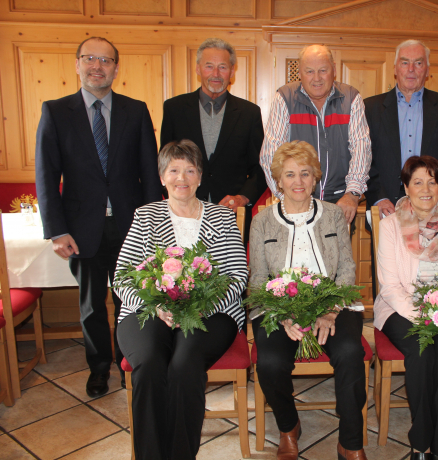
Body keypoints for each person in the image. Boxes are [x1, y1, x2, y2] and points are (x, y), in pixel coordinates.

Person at [35, 37, 160, 398]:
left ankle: (128, 362)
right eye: (90, 58)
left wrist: (152, 225)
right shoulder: (56, 112)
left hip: (131, 227)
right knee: (91, 306)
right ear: (77, 64)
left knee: (131, 300)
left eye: (106, 60)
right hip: (80, 229)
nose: (97, 66)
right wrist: (56, 231)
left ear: (116, 69)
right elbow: (46, 176)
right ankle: (98, 368)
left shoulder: (135, 111)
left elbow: (149, 175)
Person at [114, 140, 248, 460]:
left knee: (185, 364)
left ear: (200, 176)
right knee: (147, 363)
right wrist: (154, 305)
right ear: (162, 177)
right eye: (173, 170)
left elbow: (237, 275)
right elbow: (121, 275)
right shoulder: (145, 216)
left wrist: (201, 306)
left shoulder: (223, 217)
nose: (182, 178)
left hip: (210, 312)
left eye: (190, 170)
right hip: (149, 309)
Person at [250, 141, 367, 460]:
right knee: (270, 362)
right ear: (278, 181)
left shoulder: (332, 215)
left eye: (305, 173)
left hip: (332, 299)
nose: (298, 181)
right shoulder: (261, 221)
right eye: (290, 175)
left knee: (349, 351)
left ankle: (351, 441)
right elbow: (257, 279)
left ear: (315, 178)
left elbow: (346, 267)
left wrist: (330, 311)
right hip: (278, 305)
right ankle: (288, 427)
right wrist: (281, 314)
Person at [374, 155, 438, 460]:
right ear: (406, 186)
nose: (426, 188)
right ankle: (420, 440)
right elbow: (389, 286)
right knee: (421, 351)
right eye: (418, 181)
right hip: (400, 307)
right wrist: (427, 316)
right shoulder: (391, 225)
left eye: (433, 181)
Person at [260, 44, 372, 224]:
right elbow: (270, 157)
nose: (317, 78)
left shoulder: (351, 98)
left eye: (323, 70)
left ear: (334, 70)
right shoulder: (285, 98)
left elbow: (361, 148)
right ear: (300, 73)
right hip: (294, 203)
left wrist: (352, 194)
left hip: (339, 204)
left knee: (335, 253)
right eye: (309, 71)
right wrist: (286, 197)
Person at [160, 38, 265, 216]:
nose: (215, 73)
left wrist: (243, 197)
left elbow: (259, 167)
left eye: (223, 67)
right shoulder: (174, 109)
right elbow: (164, 162)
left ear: (232, 71)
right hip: (183, 211)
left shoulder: (250, 113)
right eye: (209, 66)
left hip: (232, 215)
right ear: (198, 68)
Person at [364, 39, 438, 219]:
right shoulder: (371, 108)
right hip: (385, 203)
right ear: (395, 68)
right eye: (405, 62)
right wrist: (379, 197)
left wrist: (436, 198)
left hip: (428, 201)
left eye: (418, 63)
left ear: (428, 70)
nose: (411, 69)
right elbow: (365, 158)